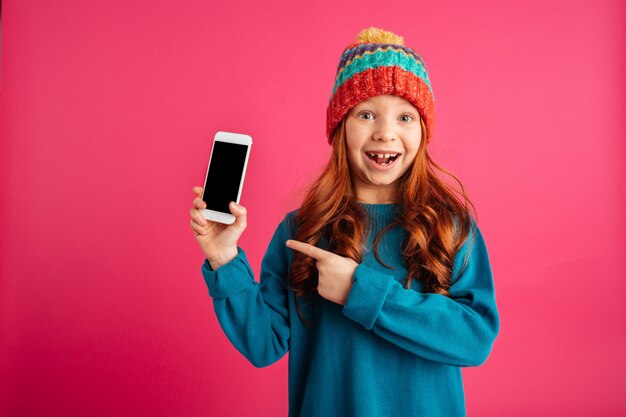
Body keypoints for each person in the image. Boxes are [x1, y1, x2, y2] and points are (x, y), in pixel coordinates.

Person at [189, 27, 500, 417]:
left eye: (405, 116)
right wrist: (224, 258)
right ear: (340, 127)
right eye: (366, 114)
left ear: (423, 132)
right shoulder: (302, 230)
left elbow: (474, 340)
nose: (386, 132)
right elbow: (263, 342)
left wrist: (358, 289)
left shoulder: (450, 226)